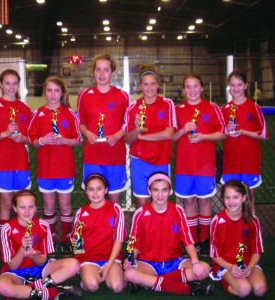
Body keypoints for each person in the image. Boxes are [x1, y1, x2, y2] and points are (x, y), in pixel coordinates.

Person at [124, 172, 213, 296]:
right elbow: (133, 241)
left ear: (170, 191)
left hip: (174, 262)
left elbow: (187, 239)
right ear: (149, 191)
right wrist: (130, 258)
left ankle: (150, 283)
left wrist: (195, 262)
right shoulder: (140, 213)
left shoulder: (177, 210)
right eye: (155, 190)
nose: (160, 195)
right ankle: (188, 289)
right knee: (129, 274)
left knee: (205, 268)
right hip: (148, 263)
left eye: (164, 190)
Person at [0, 189, 82, 300]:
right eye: (22, 207)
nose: (27, 211)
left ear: (36, 208)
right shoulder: (7, 229)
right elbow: (12, 266)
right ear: (15, 208)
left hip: (41, 270)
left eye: (31, 207)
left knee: (74, 265)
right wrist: (22, 249)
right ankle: (53, 292)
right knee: (1, 287)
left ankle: (31, 289)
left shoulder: (43, 226)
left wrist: (34, 256)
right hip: (17, 273)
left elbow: (43, 262)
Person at [173, 75, 226, 255]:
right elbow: (171, 137)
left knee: (204, 201)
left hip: (205, 165)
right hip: (184, 165)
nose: (192, 90)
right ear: (183, 90)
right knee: (188, 202)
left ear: (202, 88)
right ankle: (192, 241)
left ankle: (204, 240)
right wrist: (183, 130)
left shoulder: (211, 108)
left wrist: (205, 137)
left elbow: (223, 133)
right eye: (188, 87)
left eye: (195, 86)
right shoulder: (178, 110)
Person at [28, 76, 81, 245]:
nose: (53, 94)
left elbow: (78, 139)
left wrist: (64, 140)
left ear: (62, 93)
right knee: (49, 206)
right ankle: (49, 241)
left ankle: (65, 241)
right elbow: (32, 141)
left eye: (56, 90)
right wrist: (43, 140)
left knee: (65, 206)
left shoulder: (70, 114)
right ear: (45, 92)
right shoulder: (38, 114)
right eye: (49, 90)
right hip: (46, 169)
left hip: (64, 169)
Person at [0, 69, 32, 229]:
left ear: (18, 85)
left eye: (15, 83)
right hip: (3, 164)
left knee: (24, 204)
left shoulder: (24, 108)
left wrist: (22, 138)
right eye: (7, 83)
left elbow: (30, 138)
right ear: (1, 84)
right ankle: (5, 240)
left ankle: (24, 238)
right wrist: (5, 133)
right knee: (7, 204)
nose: (11, 87)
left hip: (21, 163)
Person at [77, 54, 130, 204]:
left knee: (114, 199)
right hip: (93, 155)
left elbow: (127, 123)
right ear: (93, 72)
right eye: (98, 70)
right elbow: (81, 123)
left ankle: (116, 228)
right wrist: (87, 133)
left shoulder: (122, 96)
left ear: (112, 72)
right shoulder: (85, 96)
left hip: (115, 155)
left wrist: (116, 136)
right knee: (94, 199)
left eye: (106, 70)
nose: (101, 74)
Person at [125, 65, 176, 207]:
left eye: (153, 83)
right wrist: (136, 130)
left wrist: (142, 137)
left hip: (161, 160)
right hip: (139, 161)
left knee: (160, 203)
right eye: (146, 84)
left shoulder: (167, 104)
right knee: (142, 203)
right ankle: (144, 229)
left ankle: (159, 230)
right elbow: (128, 139)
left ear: (158, 85)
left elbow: (169, 133)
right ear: (141, 86)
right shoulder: (133, 107)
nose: (149, 88)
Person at [221, 71, 269, 213]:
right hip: (231, 160)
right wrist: (226, 130)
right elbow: (220, 135)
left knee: (248, 195)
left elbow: (263, 134)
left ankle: (251, 224)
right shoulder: (224, 109)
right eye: (232, 85)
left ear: (246, 86)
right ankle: (232, 229)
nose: (236, 88)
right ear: (229, 87)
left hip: (249, 160)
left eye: (239, 85)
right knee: (231, 196)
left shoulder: (254, 107)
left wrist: (243, 132)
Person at [209, 180, 267, 297]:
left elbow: (256, 252)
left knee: (260, 289)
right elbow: (214, 255)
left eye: (235, 197)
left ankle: (243, 279)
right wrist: (230, 267)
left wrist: (249, 267)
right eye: (227, 197)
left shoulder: (253, 221)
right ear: (223, 199)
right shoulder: (217, 221)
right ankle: (223, 280)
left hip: (246, 262)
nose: (231, 202)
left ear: (244, 198)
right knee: (245, 289)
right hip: (225, 264)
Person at [70, 173, 126, 293]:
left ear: (106, 190)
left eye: (99, 189)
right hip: (89, 258)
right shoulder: (81, 212)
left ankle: (119, 276)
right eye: (91, 189)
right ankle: (86, 278)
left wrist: (109, 264)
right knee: (92, 286)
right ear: (86, 191)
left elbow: (119, 240)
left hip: (110, 258)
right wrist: (80, 257)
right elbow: (76, 241)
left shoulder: (116, 209)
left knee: (117, 287)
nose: (95, 193)